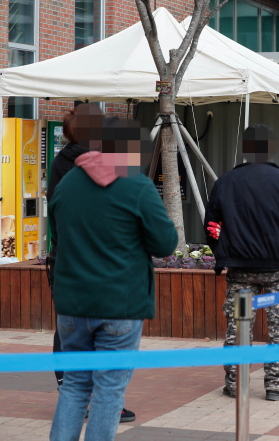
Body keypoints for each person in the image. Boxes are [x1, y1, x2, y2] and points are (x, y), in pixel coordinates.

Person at [49, 116, 178, 441]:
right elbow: (165, 243)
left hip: (72, 306)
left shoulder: (67, 184)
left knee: (75, 386)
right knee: (108, 392)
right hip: (119, 304)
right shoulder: (136, 186)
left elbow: (57, 236)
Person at [204, 124, 279, 401]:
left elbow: (211, 225)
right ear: (271, 148)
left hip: (239, 268)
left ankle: (235, 384)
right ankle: (276, 386)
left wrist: (222, 253)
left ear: (244, 148)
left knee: (238, 328)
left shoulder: (225, 182)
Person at [46, 104, 136, 424]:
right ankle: (104, 400)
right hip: (100, 263)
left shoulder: (60, 162)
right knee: (105, 336)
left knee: (70, 331)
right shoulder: (100, 163)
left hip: (66, 260)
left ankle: (76, 395)